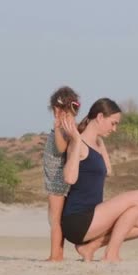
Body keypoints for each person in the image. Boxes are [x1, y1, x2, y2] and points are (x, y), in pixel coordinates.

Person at [60, 98, 138, 262]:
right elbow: (69, 178)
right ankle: (111, 255)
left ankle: (89, 248)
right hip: (78, 220)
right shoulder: (79, 143)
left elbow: (108, 171)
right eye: (113, 123)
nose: (115, 129)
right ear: (99, 117)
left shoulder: (96, 143)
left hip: (95, 216)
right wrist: (75, 140)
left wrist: (100, 142)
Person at [42, 86, 81, 261]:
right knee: (55, 219)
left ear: (56, 108)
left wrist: (57, 126)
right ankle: (57, 253)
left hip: (57, 180)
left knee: (55, 220)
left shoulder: (64, 125)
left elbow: (60, 148)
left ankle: (55, 255)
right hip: (54, 177)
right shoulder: (69, 123)